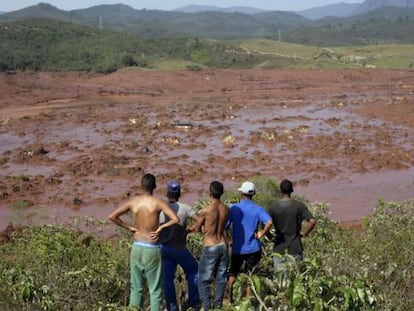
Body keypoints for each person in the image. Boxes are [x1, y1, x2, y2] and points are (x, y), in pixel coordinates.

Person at [108, 173, 179, 311]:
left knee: (136, 288)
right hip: (152, 248)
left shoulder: (133, 202)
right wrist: (160, 228)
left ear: (141, 186)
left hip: (137, 246)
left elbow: (112, 216)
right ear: (155, 187)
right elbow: (175, 219)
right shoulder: (158, 203)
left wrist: (129, 227)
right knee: (155, 290)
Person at [226, 181, 273, 303]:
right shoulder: (258, 209)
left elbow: (224, 227)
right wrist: (262, 233)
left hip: (237, 248)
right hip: (253, 248)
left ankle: (229, 299)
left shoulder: (233, 208)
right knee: (250, 276)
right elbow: (269, 222)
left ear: (242, 193)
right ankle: (248, 302)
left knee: (232, 274)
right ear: (253, 194)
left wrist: (229, 240)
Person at [159, 180, 201, 311]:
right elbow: (200, 220)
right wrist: (189, 230)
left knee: (167, 279)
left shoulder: (161, 209)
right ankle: (194, 302)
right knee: (194, 270)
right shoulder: (185, 208)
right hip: (180, 248)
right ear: (179, 194)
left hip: (165, 248)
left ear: (167, 193)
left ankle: (172, 307)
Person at [193, 181, 229, 311]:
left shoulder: (206, 210)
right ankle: (218, 306)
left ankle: (206, 307)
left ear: (210, 193)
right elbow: (223, 226)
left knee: (204, 279)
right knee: (221, 277)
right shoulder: (226, 209)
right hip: (223, 245)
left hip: (211, 245)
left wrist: (198, 227)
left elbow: (197, 228)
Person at [267, 179, 316, 276]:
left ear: (280, 191)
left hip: (279, 247)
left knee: (280, 280)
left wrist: (270, 237)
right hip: (295, 247)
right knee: (295, 280)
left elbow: (265, 224)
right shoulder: (299, 206)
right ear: (292, 191)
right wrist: (304, 233)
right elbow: (312, 221)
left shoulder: (273, 207)